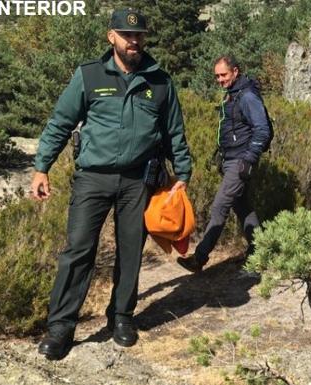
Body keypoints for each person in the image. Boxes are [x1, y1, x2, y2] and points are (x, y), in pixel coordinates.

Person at [31, 8, 192, 359]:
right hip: (92, 179)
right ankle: (61, 326)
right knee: (78, 251)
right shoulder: (89, 76)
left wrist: (183, 174)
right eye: (126, 35)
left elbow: (174, 132)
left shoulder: (160, 81)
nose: (133, 41)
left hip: (138, 181)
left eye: (139, 36)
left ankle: (121, 316)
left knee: (131, 250)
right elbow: (60, 122)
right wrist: (42, 167)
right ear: (111, 37)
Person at [177, 56, 271, 273]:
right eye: (217, 76)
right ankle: (262, 250)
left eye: (223, 75)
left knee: (220, 206)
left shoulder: (247, 97)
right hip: (231, 160)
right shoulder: (233, 94)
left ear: (235, 71)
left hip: (240, 162)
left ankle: (199, 258)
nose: (219, 80)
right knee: (242, 206)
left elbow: (262, 130)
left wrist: (249, 159)